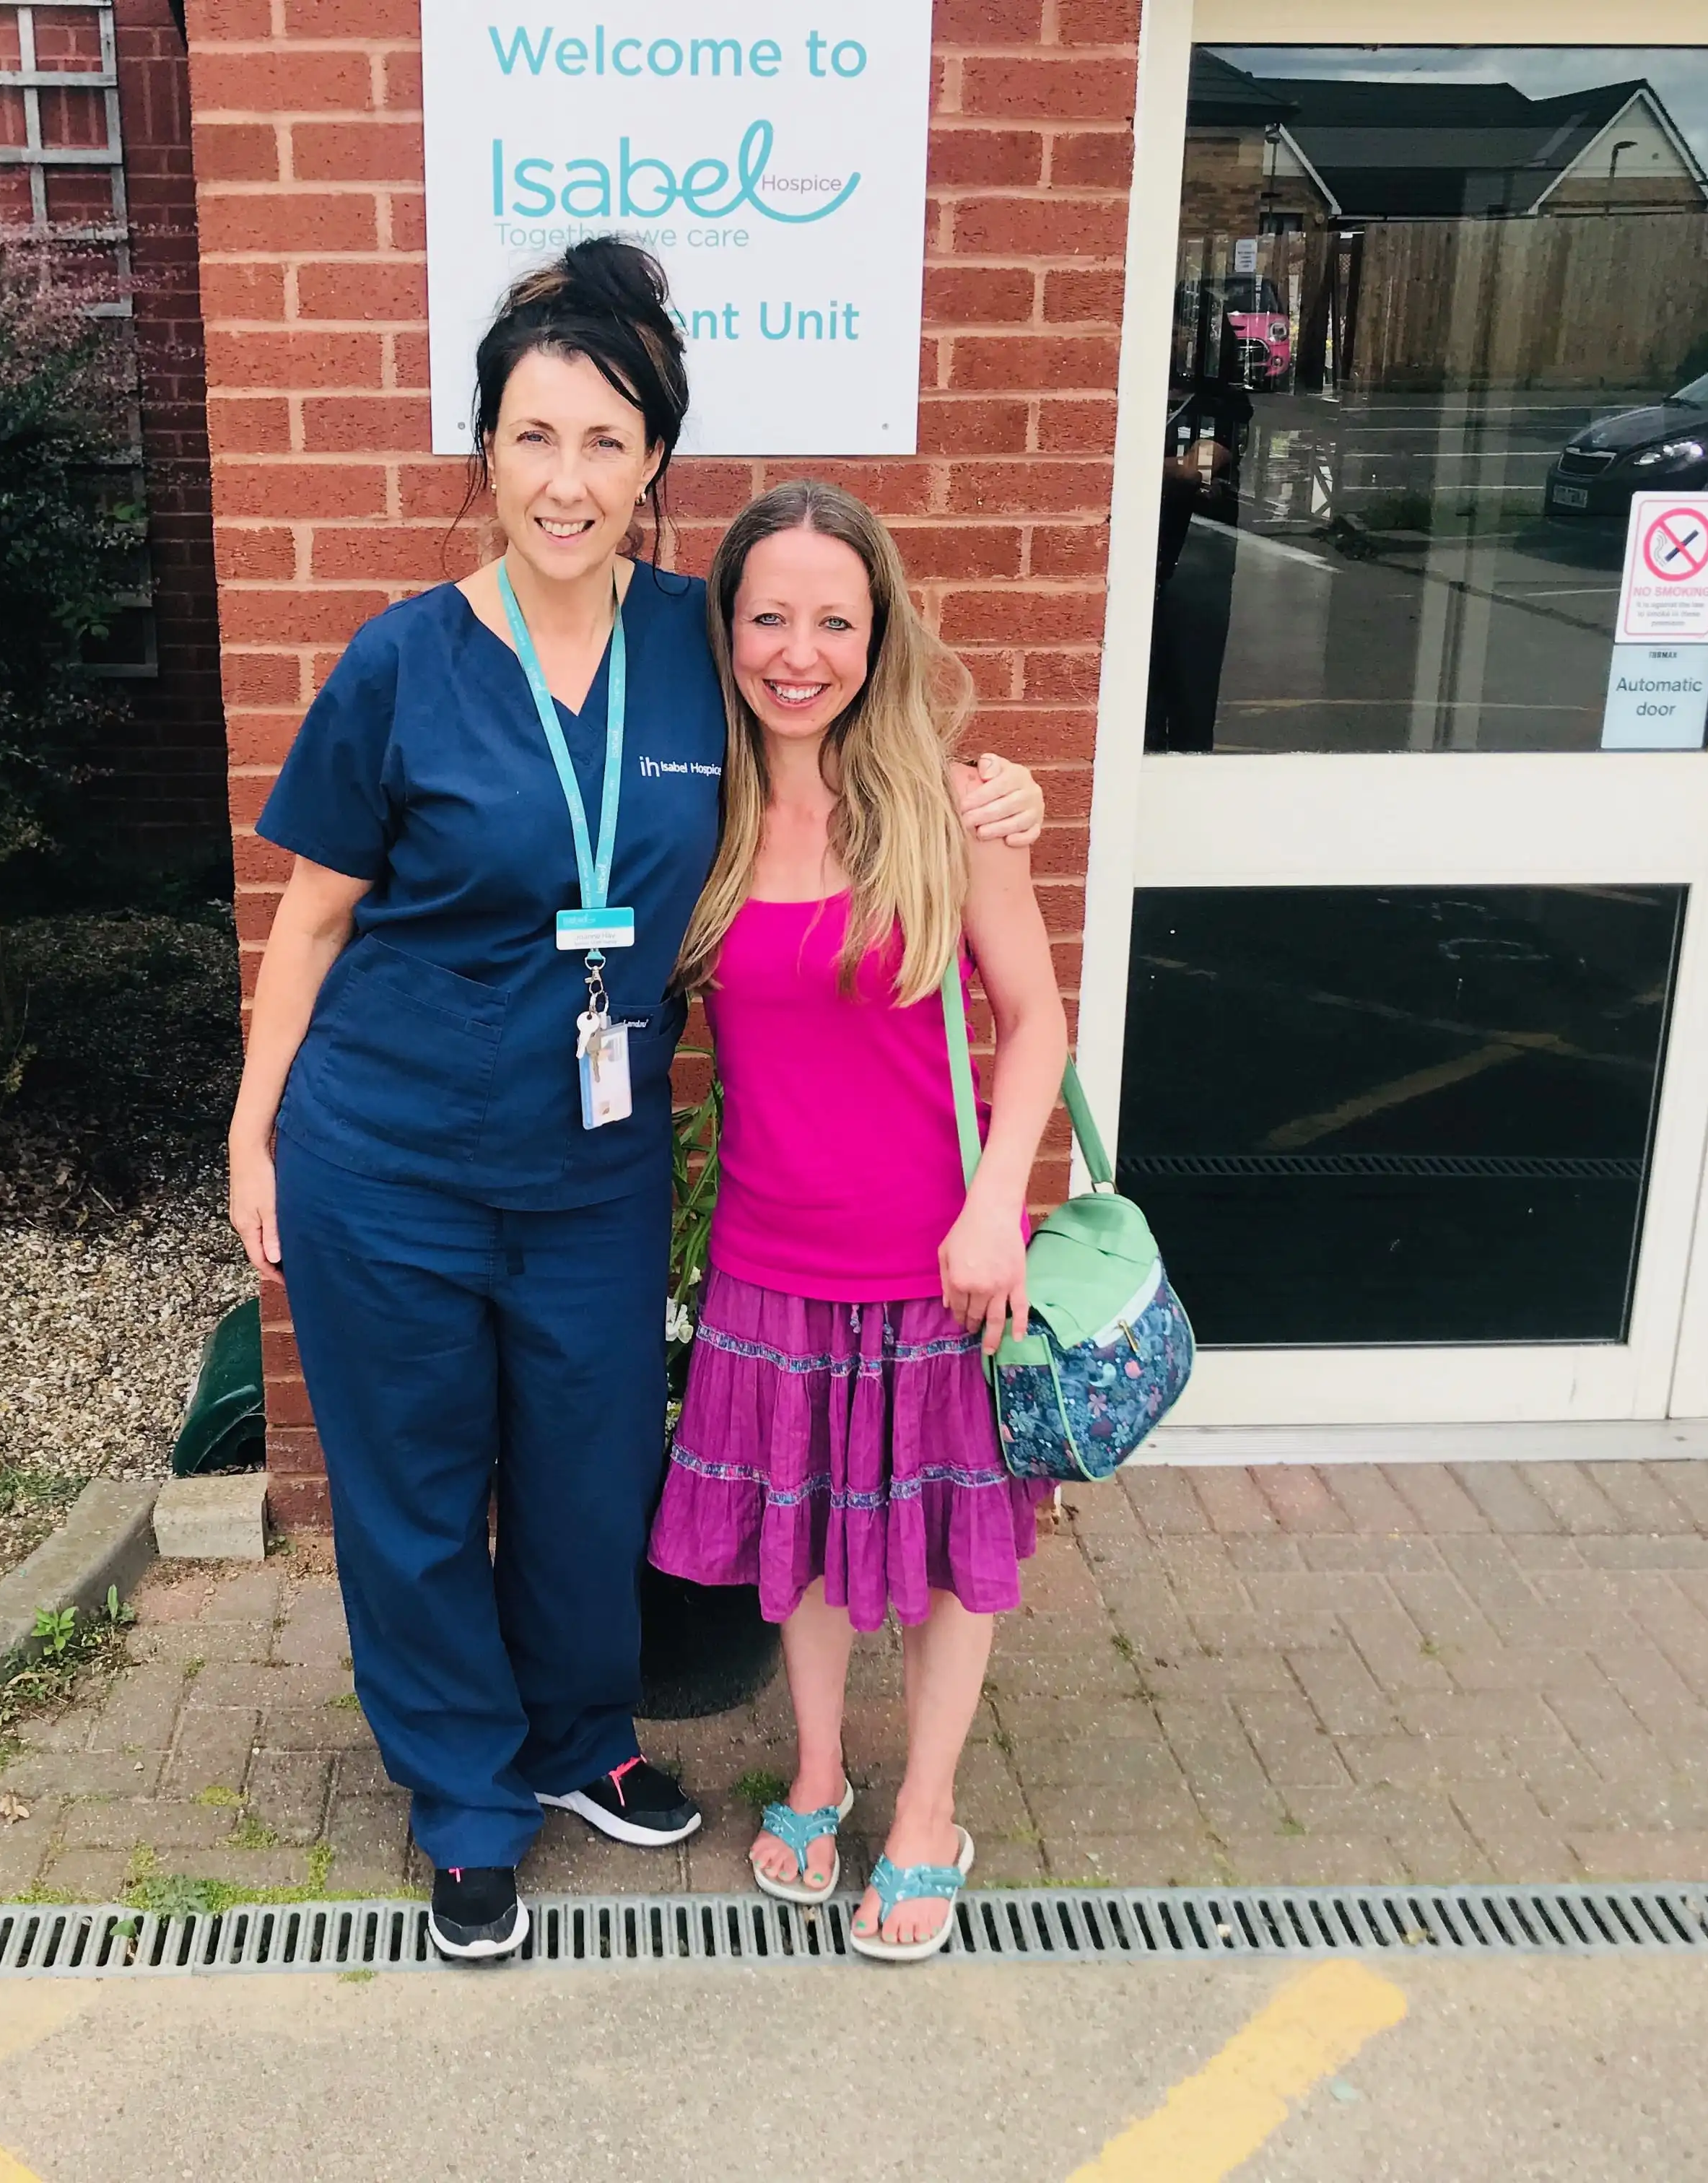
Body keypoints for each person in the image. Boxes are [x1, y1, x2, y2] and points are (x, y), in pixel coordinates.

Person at [225, 239, 1047, 1963]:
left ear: (654, 460)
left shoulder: (698, 645)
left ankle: (579, 1735)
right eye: (535, 437)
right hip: (391, 1156)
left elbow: (851, 717)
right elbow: (309, 922)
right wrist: (252, 1133)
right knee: (417, 1489)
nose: (568, 479)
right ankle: (467, 1802)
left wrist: (994, 792)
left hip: (594, 1164)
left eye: (605, 441)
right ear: (486, 451)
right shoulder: (402, 664)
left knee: (592, 1472)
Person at [646, 479, 1068, 1964]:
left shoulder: (951, 811)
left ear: (878, 634)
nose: (799, 652)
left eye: (835, 620)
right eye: (769, 617)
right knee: (808, 1536)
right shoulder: (699, 812)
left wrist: (998, 1206)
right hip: (769, 1260)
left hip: (939, 1262)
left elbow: (1036, 1022)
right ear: (727, 631)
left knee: (951, 1553)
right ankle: (820, 1773)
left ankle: (928, 1814)